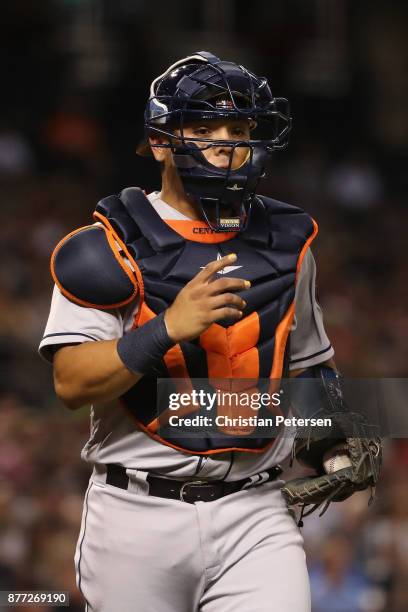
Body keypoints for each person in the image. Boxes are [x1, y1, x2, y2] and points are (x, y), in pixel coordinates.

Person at [39, 51, 339, 612]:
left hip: (258, 509)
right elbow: (70, 384)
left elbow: (304, 367)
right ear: (160, 141)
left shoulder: (288, 242)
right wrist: (168, 328)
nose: (227, 141)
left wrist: (337, 434)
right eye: (204, 127)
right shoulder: (106, 244)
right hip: (137, 514)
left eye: (240, 127)